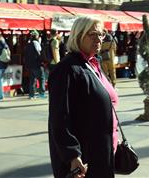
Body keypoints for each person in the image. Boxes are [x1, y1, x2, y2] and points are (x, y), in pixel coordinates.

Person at [48, 17, 119, 178]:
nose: (99, 39)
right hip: (84, 159)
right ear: (78, 35)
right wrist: (72, 155)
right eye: (92, 34)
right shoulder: (66, 69)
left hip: (103, 150)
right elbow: (59, 118)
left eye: (101, 34)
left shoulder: (93, 64)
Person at [25, 30, 46, 99]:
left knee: (32, 80)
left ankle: (31, 95)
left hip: (30, 65)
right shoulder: (36, 43)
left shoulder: (28, 44)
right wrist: (43, 61)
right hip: (37, 64)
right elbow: (39, 53)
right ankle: (41, 94)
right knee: (41, 78)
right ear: (36, 36)